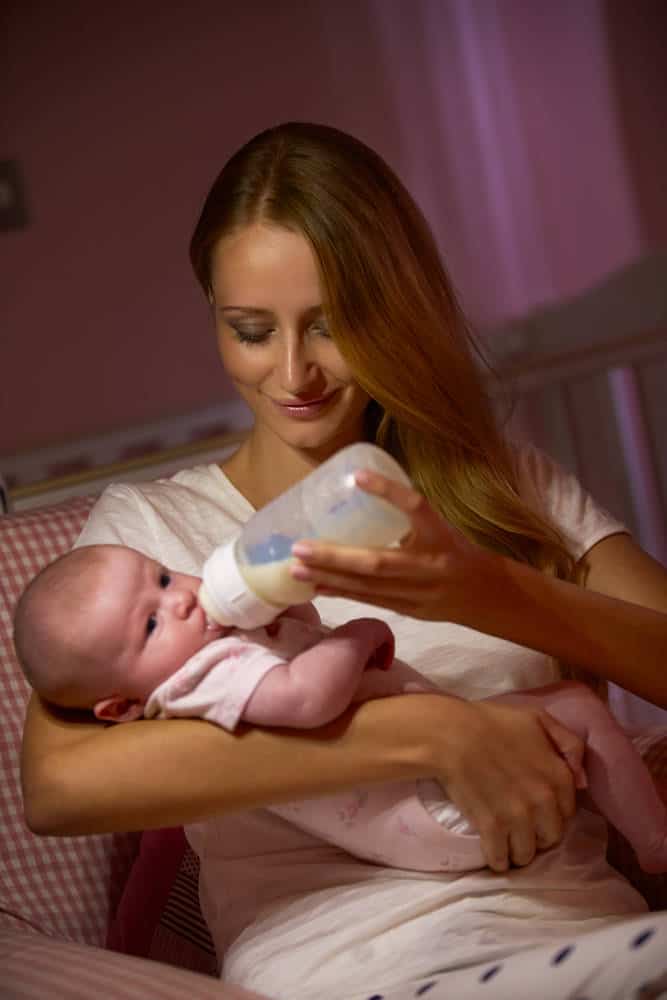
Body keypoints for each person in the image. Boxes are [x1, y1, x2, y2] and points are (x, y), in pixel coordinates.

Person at [20, 122, 667, 1000]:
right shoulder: (152, 539)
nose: (294, 373)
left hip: (582, 937)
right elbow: (61, 786)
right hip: (347, 965)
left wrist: (489, 590)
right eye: (250, 330)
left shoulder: (504, 488)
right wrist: (434, 730)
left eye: (332, 326)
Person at [16, 543, 667, 878]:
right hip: (433, 803)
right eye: (152, 623)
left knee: (570, 723)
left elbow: (290, 650)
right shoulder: (199, 681)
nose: (181, 601)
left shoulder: (214, 650)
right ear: (123, 706)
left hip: (445, 795)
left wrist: (284, 603)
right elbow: (304, 699)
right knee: (575, 706)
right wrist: (353, 632)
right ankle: (654, 844)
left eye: (161, 578)